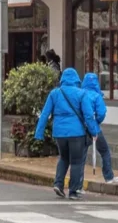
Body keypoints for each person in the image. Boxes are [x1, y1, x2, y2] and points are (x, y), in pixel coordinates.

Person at [34, 67, 100, 199]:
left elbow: (45, 114)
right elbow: (88, 116)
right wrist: (94, 131)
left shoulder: (55, 93)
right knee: (76, 161)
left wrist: (39, 133)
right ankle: (73, 191)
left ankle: (58, 184)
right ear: (76, 79)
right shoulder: (81, 94)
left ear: (62, 79)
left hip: (59, 133)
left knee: (63, 158)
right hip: (77, 133)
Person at [81, 72, 118, 183]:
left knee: (81, 156)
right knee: (105, 151)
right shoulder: (97, 96)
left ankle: (78, 182)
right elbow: (102, 113)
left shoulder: (80, 94)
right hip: (94, 129)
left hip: (81, 129)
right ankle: (108, 177)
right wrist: (95, 123)